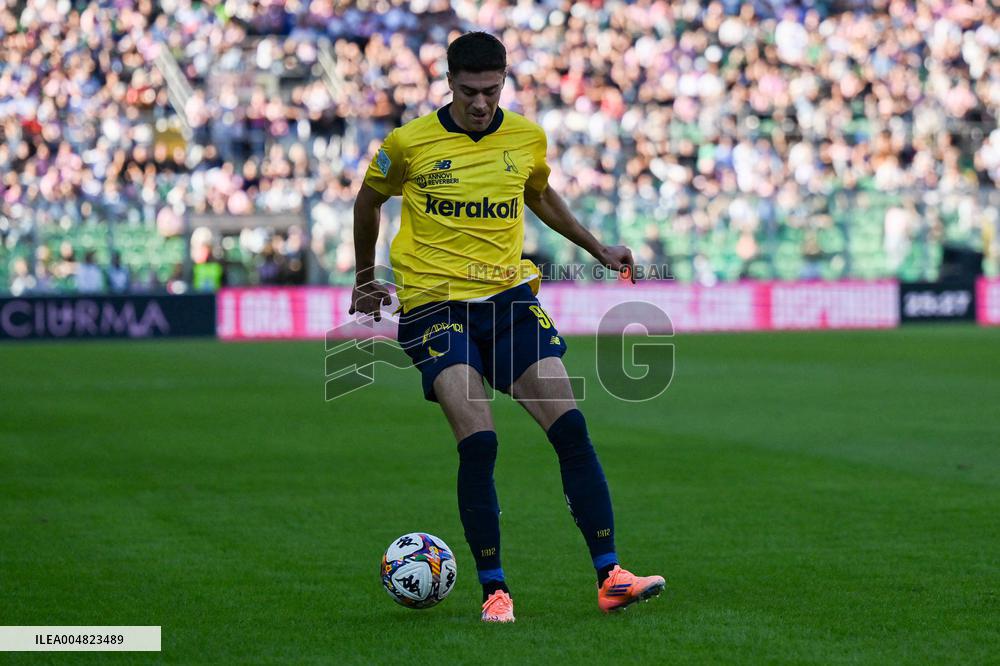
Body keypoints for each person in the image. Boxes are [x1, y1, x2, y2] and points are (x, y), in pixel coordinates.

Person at [350, 32, 664, 623]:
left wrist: (597, 249)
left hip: (510, 301)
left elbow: (540, 196)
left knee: (571, 428)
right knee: (482, 441)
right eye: (469, 91)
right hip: (434, 307)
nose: (479, 103)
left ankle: (611, 576)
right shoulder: (408, 143)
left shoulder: (525, 137)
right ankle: (495, 590)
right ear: (449, 83)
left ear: (504, 83)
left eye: (491, 91)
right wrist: (366, 278)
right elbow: (367, 203)